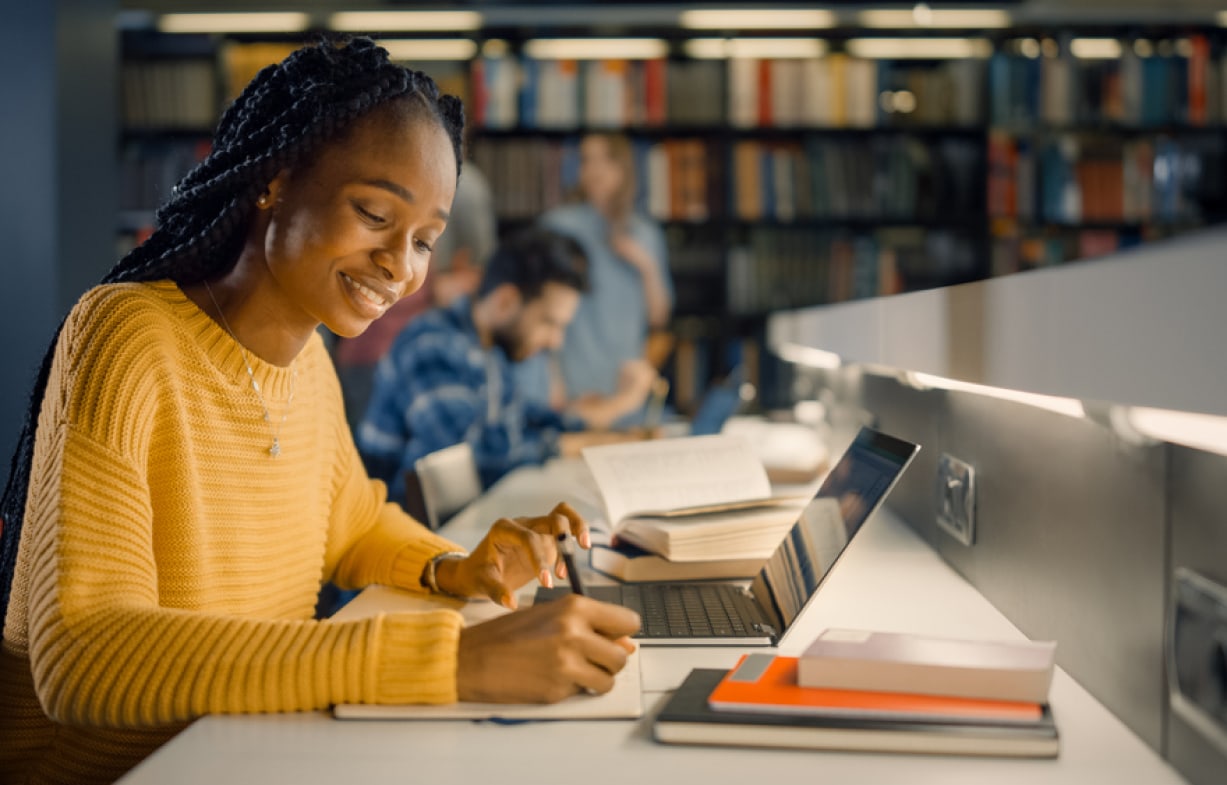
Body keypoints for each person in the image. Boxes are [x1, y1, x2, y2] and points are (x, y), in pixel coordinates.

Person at [0, 39, 638, 785]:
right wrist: (451, 660)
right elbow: (85, 656)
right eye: (374, 214)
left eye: (425, 241)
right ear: (275, 178)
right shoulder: (125, 335)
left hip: (244, 750)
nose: (400, 265)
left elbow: (353, 521)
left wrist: (453, 566)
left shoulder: (307, 359)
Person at [357, 228, 652, 501]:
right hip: (402, 533)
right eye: (549, 323)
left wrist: (603, 428)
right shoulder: (432, 346)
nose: (555, 342)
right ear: (506, 301)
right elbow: (467, 458)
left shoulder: (489, 350)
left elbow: (521, 419)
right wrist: (575, 443)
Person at [332, 158, 497, 432]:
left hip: (387, 353)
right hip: (376, 356)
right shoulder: (462, 184)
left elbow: (473, 270)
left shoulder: (461, 186)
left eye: (424, 241)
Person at [529, 132, 674, 424]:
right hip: (574, 381)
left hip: (625, 383)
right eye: (586, 160)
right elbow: (536, 310)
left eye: (605, 159)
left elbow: (659, 317)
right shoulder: (558, 227)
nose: (595, 170)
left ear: (624, 167)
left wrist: (645, 266)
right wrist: (550, 376)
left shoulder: (645, 234)